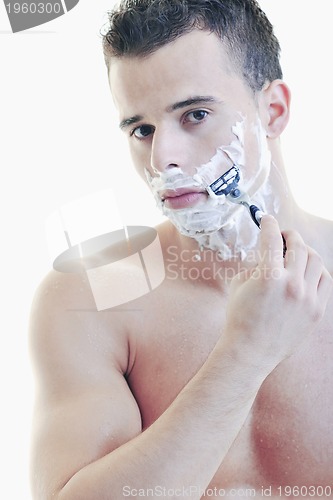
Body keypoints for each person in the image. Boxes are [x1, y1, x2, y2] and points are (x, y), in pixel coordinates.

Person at [29, 1, 333, 499]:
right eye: (141, 129)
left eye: (194, 115)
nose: (162, 157)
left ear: (273, 110)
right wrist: (246, 352)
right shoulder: (92, 294)